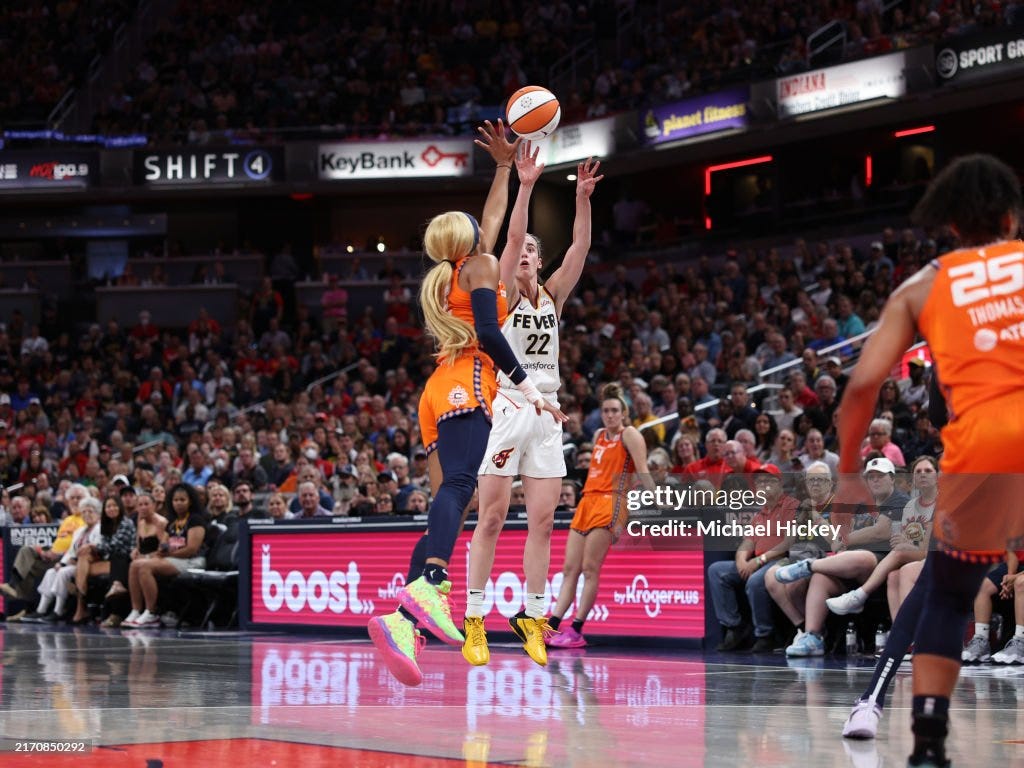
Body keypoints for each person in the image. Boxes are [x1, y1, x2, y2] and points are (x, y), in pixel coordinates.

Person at [834, 154, 1024, 767]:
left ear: (951, 228)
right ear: (1010, 217)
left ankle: (929, 743)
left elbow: (862, 388)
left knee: (945, 593)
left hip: (981, 452)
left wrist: (845, 473)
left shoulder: (922, 285)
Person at [367, 121, 566, 688]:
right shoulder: (478, 271)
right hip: (469, 382)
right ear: (470, 239)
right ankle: (431, 585)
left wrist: (506, 170)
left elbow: (500, 219)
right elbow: (489, 332)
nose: (491, 229)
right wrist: (526, 385)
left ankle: (403, 621)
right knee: (460, 488)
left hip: (438, 391)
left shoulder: (459, 272)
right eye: (481, 229)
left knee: (445, 505)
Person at [464, 144, 602, 668]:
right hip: (507, 406)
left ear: (541, 262)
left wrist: (583, 198)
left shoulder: (552, 295)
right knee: (494, 518)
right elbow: (514, 233)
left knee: (544, 522)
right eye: (518, 251)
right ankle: (474, 618)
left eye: (530, 253)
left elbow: (581, 248)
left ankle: (534, 617)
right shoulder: (505, 294)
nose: (523, 255)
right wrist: (525, 185)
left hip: (548, 413)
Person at [546, 383, 655, 649]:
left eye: (615, 410)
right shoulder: (598, 434)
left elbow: (642, 470)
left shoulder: (630, 434)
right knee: (569, 568)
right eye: (606, 410)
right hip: (587, 501)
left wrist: (659, 502)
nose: (610, 415)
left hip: (612, 501)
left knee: (590, 568)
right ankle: (551, 626)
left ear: (624, 412)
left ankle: (577, 628)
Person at [826, 455, 937, 616]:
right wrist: (906, 541)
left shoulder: (940, 501)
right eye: (918, 471)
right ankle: (899, 634)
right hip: (916, 554)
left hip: (940, 555)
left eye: (928, 470)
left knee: (898, 553)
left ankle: (860, 595)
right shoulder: (911, 505)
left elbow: (924, 547)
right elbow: (912, 538)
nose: (922, 474)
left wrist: (907, 544)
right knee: (893, 576)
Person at [123, 483, 207, 628]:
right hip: (174, 557)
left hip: (192, 561)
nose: (178, 503)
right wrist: (162, 549)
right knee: (135, 564)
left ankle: (151, 613)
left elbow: (191, 549)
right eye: (175, 500)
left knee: (145, 567)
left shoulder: (195, 520)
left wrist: (167, 554)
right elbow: (165, 543)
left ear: (190, 501)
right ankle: (136, 610)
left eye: (182, 500)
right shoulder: (172, 522)